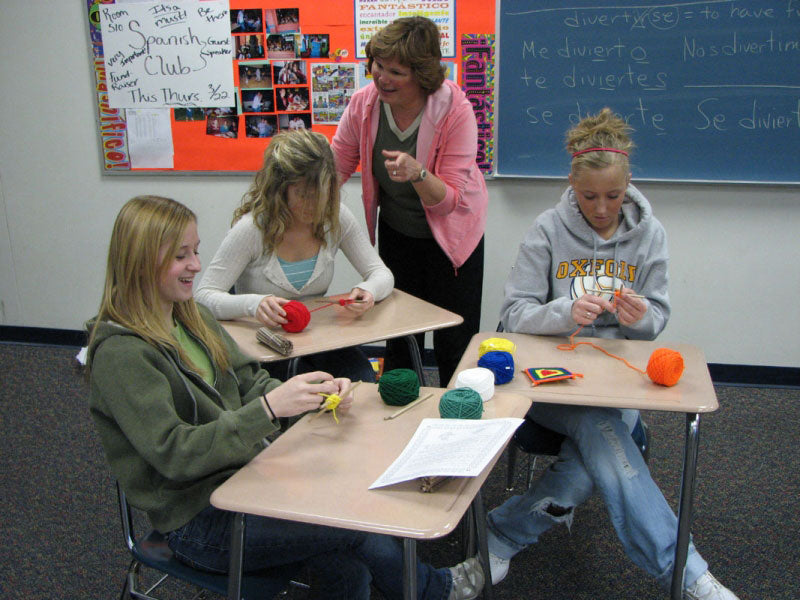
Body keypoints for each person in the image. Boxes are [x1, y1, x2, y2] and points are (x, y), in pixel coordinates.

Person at [85, 195, 485, 600]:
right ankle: (439, 590)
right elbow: (174, 453)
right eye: (180, 256)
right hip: (197, 522)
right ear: (140, 262)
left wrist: (311, 396)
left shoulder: (192, 317)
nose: (196, 265)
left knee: (345, 546)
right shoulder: (123, 354)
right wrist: (270, 409)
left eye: (196, 251)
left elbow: (250, 381)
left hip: (249, 478)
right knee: (350, 526)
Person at [485, 109, 739, 600]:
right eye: (588, 197)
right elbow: (514, 313)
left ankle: (502, 530)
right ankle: (688, 576)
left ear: (628, 187)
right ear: (571, 185)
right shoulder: (546, 229)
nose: (601, 209)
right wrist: (565, 311)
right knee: (602, 431)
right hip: (548, 378)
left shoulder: (650, 234)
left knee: (585, 466)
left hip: (613, 379)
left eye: (613, 196)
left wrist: (638, 316)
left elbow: (656, 319)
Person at [331, 16, 487, 386]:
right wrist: (305, 212)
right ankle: (399, 417)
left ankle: (460, 422)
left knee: (455, 340)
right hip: (398, 230)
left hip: (453, 239)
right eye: (378, 65)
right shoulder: (363, 104)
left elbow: (448, 200)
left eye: (396, 72)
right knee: (401, 336)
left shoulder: (455, 110)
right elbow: (335, 168)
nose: (381, 77)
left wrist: (418, 173)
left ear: (422, 74)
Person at [195, 130, 393, 383]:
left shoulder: (336, 217)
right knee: (296, 395)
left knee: (361, 378)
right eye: (303, 194)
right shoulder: (252, 229)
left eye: (322, 194)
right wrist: (254, 304)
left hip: (317, 339)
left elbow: (381, 274)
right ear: (280, 189)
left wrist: (368, 290)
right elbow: (203, 298)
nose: (314, 204)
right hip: (266, 345)